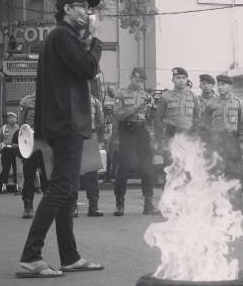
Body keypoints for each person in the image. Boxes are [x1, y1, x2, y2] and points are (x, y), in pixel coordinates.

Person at [17, 0, 104, 278]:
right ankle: (31, 256)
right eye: (81, 6)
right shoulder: (62, 35)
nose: (86, 12)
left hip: (65, 123)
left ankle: (70, 256)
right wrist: (94, 40)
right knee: (60, 189)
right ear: (67, 9)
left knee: (67, 191)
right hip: (66, 123)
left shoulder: (62, 37)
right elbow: (88, 68)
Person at [113, 67, 158, 216]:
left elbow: (150, 118)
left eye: (142, 82)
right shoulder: (121, 93)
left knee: (147, 167)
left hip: (141, 130)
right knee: (124, 166)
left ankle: (148, 202)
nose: (139, 84)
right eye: (137, 80)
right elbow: (118, 115)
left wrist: (152, 108)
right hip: (127, 130)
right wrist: (136, 108)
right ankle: (119, 202)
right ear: (131, 78)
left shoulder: (145, 94)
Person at [204, 75, 243, 211]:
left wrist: (240, 140)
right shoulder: (211, 103)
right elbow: (206, 124)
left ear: (230, 86)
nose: (221, 87)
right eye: (219, 84)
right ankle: (216, 205)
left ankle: (237, 204)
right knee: (216, 173)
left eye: (224, 84)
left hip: (233, 141)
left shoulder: (238, 103)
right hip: (217, 142)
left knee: (237, 173)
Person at [18, 93, 48, 218]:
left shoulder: (53, 98)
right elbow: (21, 124)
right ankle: (28, 206)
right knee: (29, 175)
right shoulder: (26, 101)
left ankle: (48, 207)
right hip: (31, 143)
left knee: (48, 176)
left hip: (47, 143)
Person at [155, 67, 200, 148]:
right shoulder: (165, 97)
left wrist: (195, 135)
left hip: (188, 134)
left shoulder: (193, 97)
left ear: (187, 80)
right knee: (170, 159)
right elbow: (158, 120)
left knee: (188, 159)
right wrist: (159, 140)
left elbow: (197, 118)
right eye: (178, 78)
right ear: (173, 80)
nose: (181, 80)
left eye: (184, 78)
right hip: (171, 134)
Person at [79, 94, 105, 217]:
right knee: (73, 172)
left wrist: (100, 139)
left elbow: (100, 121)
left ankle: (93, 206)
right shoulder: (69, 95)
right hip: (74, 135)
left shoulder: (94, 100)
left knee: (92, 174)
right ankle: (72, 206)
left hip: (90, 135)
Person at [0, 112, 19, 193]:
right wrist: (1, 145)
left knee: (16, 168)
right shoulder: (4, 127)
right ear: (7, 119)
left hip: (16, 150)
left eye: (13, 117)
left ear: (16, 119)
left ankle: (17, 185)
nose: (12, 119)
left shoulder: (19, 128)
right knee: (5, 168)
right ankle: (4, 185)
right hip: (6, 149)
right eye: (10, 117)